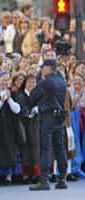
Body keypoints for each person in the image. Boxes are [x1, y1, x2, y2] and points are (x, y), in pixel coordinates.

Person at [29, 59, 68, 191]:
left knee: (45, 148)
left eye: (43, 67)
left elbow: (32, 97)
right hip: (59, 117)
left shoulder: (46, 82)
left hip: (47, 116)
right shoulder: (61, 80)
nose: (42, 69)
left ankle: (44, 179)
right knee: (60, 147)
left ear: (49, 68)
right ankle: (62, 178)